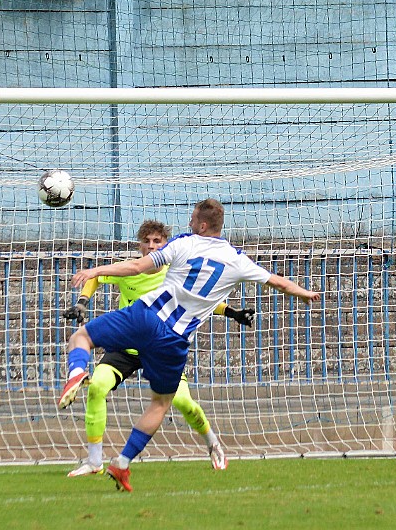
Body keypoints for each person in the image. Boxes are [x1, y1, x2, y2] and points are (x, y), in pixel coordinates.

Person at [57, 199, 320, 492]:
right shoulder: (237, 260)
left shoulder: (184, 244)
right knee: (160, 403)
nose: (189, 223)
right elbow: (279, 283)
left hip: (146, 318)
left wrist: (94, 271)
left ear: (202, 225)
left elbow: (136, 267)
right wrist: (306, 294)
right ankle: (122, 463)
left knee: (81, 338)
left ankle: (76, 371)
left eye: (193, 219)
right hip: (174, 341)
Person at [60, 220, 256, 476]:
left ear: (166, 244)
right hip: (127, 347)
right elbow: (96, 277)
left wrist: (232, 312)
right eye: (147, 241)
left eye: (157, 242)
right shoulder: (130, 269)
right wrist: (83, 302)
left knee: (184, 403)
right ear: (140, 244)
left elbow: (204, 301)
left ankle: (212, 442)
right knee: (97, 386)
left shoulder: (176, 271)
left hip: (160, 346)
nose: (151, 246)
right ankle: (95, 461)